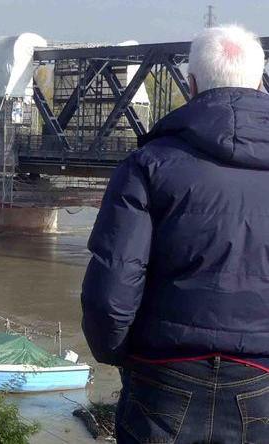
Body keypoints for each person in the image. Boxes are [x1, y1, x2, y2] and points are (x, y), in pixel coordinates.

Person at [81, 25, 269, 443]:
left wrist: (127, 358)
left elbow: (110, 295)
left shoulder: (147, 165)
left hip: (163, 377)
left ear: (192, 84)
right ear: (260, 82)